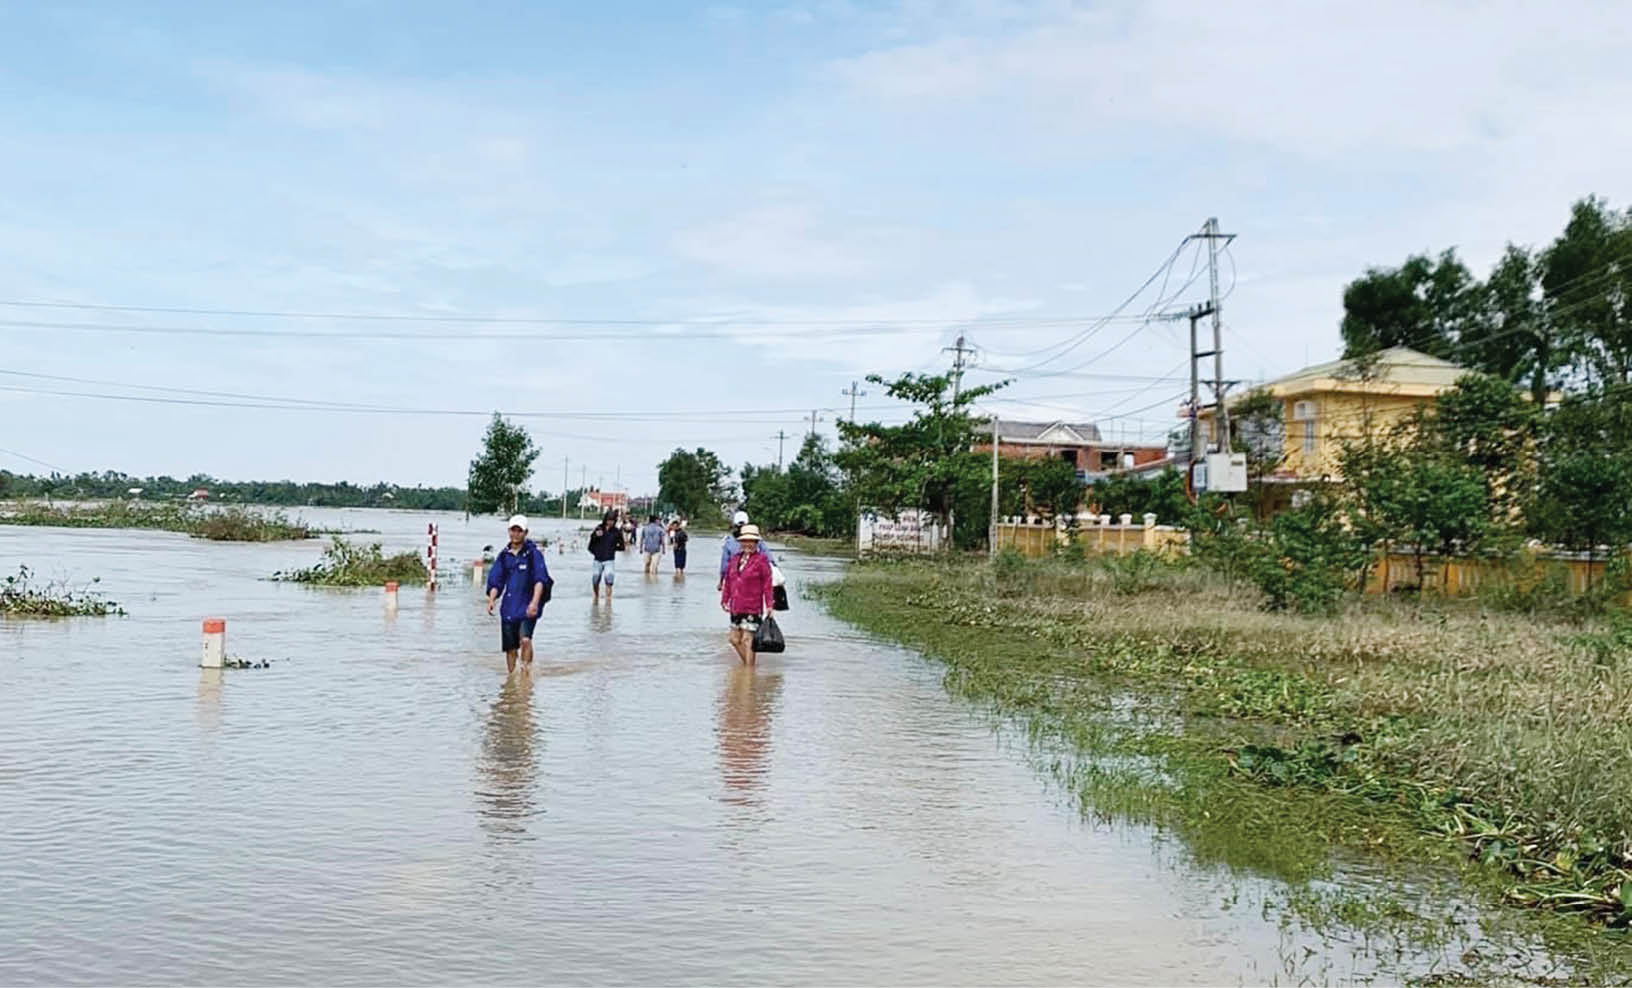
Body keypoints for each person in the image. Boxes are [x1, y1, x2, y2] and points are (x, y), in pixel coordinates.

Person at [485, 514, 551, 673]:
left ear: (525, 533)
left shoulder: (533, 554)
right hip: (509, 608)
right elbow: (496, 580)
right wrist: (492, 599)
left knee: (526, 640)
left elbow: (540, 579)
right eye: (513, 530)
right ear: (509, 531)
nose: (515, 534)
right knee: (511, 649)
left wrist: (534, 603)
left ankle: (526, 674)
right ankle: (511, 678)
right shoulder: (504, 555)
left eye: (519, 531)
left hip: (528, 606)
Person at [720, 524, 774, 665]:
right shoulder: (735, 559)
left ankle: (749, 671)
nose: (748, 544)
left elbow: (767, 584)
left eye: (751, 541)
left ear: (756, 543)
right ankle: (748, 666)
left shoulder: (761, 560)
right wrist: (724, 599)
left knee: (747, 639)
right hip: (736, 606)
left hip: (752, 607)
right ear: (740, 542)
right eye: (745, 541)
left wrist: (769, 605)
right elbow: (728, 581)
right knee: (734, 639)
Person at [718, 510, 775, 590]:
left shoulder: (729, 542)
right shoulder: (757, 540)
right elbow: (768, 558)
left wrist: (721, 582)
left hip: (735, 582)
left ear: (735, 525)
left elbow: (724, 566)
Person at [587, 510, 624, 602]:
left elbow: (622, 546)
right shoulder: (599, 529)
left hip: (609, 560)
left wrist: (613, 548)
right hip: (597, 559)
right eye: (608, 520)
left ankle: (608, 600)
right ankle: (596, 596)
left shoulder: (616, 532)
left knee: (609, 579)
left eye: (612, 520)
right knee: (595, 578)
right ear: (605, 520)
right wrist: (595, 536)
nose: (610, 522)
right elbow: (590, 544)